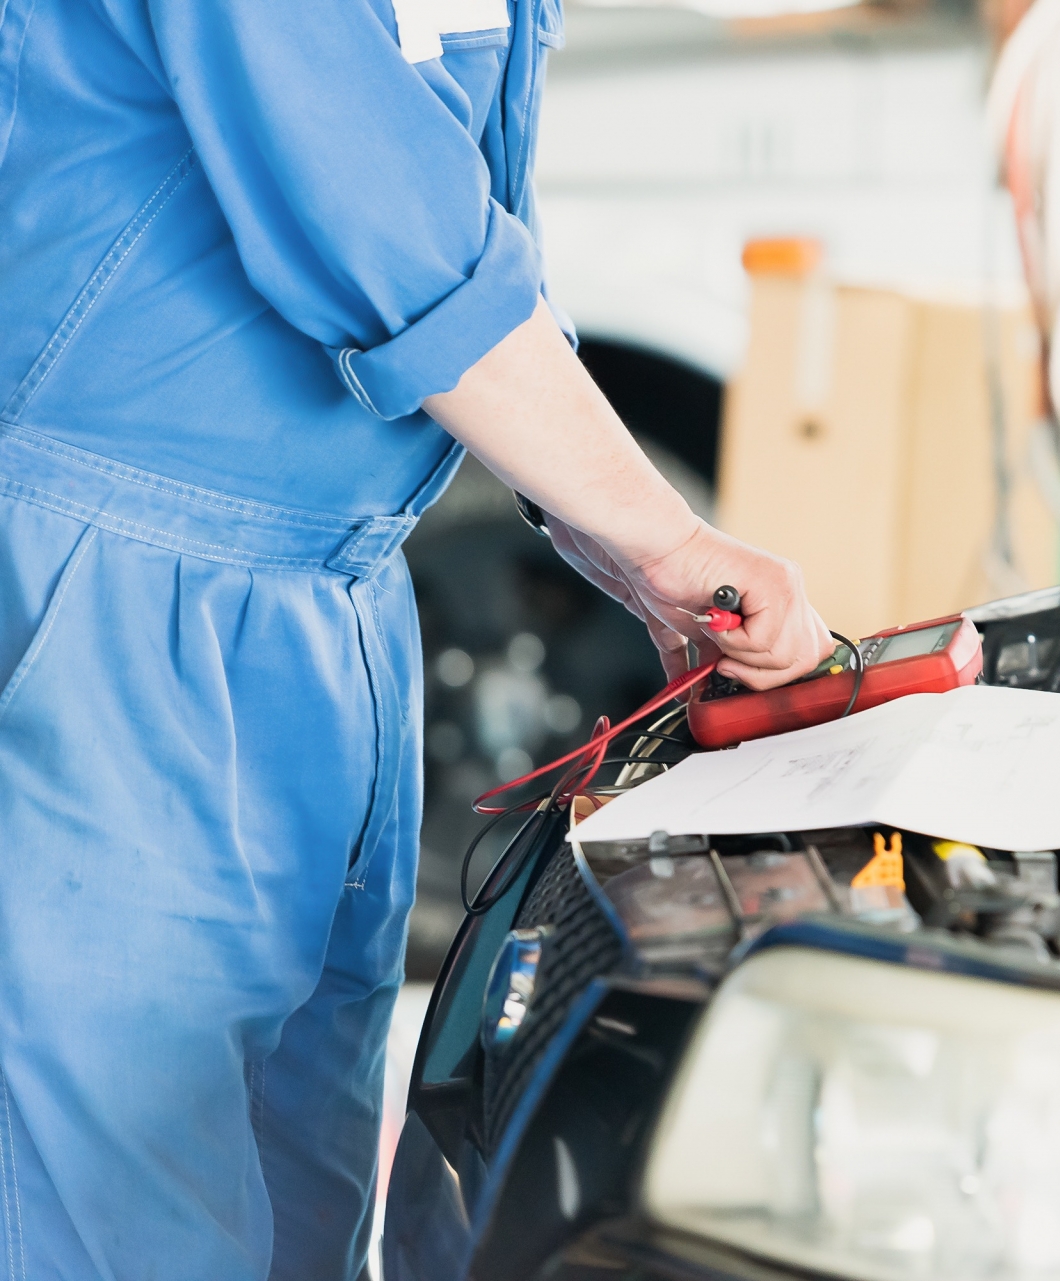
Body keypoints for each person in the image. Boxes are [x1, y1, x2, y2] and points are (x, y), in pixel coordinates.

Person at [0, 0, 833, 1275]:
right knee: (115, 1210)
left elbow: (474, 219)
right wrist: (668, 542)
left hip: (337, 592)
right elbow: (391, 228)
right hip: (110, 590)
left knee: (305, 1185)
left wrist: (605, 536)